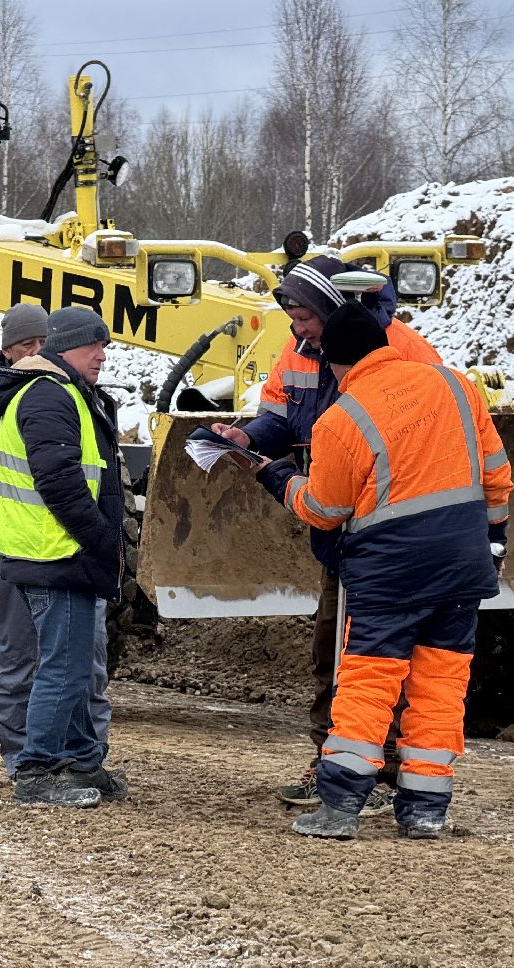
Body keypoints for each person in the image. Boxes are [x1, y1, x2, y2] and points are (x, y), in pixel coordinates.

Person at [249, 301, 513, 840]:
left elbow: (325, 508)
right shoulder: (457, 386)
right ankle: (425, 808)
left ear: (338, 362)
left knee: (369, 680)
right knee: (441, 684)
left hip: (391, 572)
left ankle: (340, 805)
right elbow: (496, 477)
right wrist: (494, 541)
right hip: (464, 566)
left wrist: (275, 478)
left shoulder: (342, 419)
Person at [214, 254, 443, 812]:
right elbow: (280, 417)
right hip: (339, 519)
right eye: (292, 319)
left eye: (305, 318)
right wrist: (247, 438)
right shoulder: (295, 353)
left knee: (381, 655)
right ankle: (337, 762)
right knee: (334, 646)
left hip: (391, 522)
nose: (299, 330)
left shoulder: (407, 352)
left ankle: (390, 768)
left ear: (332, 310)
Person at [0, 304, 114, 780]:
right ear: (8, 349)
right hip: (22, 551)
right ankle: (28, 764)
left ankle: (81, 759)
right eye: (27, 347)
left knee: (81, 661)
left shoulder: (78, 394)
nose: (36, 355)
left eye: (41, 345)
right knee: (21, 661)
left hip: (56, 548)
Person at [0, 306, 129, 807]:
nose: (103, 355)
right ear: (67, 347)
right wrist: (99, 538)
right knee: (63, 667)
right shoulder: (49, 396)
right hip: (57, 552)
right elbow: (59, 480)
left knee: (70, 665)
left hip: (57, 550)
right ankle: (38, 769)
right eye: (96, 346)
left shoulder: (60, 393)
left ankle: (81, 758)